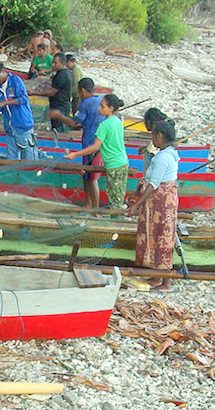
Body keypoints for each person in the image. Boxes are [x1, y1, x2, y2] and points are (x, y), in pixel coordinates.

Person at [127, 120, 179, 292]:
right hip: (158, 204)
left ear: (159, 135)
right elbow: (149, 179)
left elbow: (154, 184)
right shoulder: (165, 154)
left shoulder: (164, 157)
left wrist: (136, 206)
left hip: (162, 205)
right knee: (155, 238)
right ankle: (156, 277)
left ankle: (166, 283)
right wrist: (137, 193)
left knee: (162, 238)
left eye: (153, 135)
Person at [49, 77, 105, 208]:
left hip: (91, 145)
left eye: (80, 92)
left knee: (92, 178)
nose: (80, 95)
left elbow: (74, 122)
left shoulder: (86, 103)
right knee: (86, 175)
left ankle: (95, 210)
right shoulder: (101, 102)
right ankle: (88, 204)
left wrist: (58, 115)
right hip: (99, 145)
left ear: (83, 91)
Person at [65, 94, 128, 209]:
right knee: (118, 197)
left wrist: (75, 154)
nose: (99, 108)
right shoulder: (118, 122)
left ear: (111, 108)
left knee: (114, 200)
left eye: (102, 106)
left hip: (114, 164)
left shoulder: (104, 125)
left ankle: (115, 222)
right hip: (123, 162)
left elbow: (95, 147)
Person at [0, 61, 36, 160]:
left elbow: (24, 99)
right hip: (10, 129)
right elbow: (2, 108)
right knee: (11, 158)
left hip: (23, 126)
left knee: (29, 158)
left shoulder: (15, 81)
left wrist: (5, 102)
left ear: (3, 71)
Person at [30, 52, 72, 133]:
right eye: (52, 62)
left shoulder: (61, 75)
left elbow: (51, 92)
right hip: (61, 106)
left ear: (62, 63)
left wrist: (33, 92)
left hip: (60, 107)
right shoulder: (65, 72)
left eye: (55, 63)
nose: (52, 64)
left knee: (59, 130)